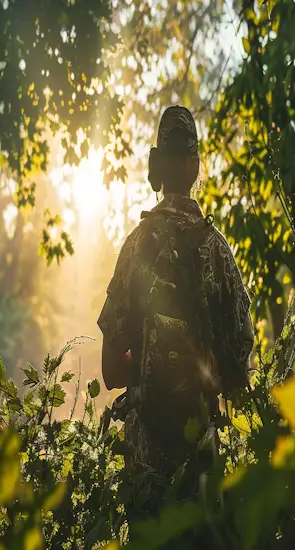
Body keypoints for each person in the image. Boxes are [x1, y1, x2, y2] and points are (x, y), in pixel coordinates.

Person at [97, 105, 254, 517]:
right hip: (202, 463)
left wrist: (149, 366)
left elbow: (111, 371)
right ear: (196, 166)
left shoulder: (136, 247)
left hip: (147, 468)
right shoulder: (219, 251)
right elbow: (239, 373)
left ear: (157, 169)